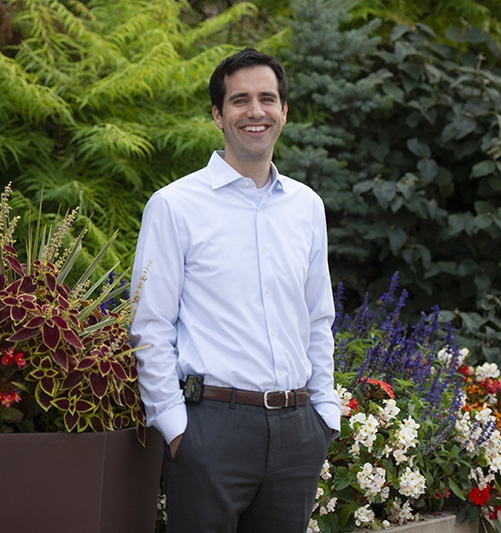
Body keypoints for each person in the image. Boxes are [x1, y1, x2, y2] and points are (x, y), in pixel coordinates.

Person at [130, 48, 340, 533]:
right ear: (218, 115)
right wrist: (176, 427)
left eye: (268, 99)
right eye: (239, 100)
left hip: (297, 432)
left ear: (284, 112)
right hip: (210, 433)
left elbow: (317, 318)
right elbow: (149, 326)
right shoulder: (174, 206)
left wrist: (324, 413)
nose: (255, 111)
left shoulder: (307, 207)